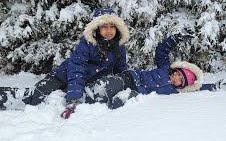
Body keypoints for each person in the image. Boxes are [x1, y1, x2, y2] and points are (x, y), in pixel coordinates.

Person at [60, 34, 226, 119]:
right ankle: (84, 97)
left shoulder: (174, 92)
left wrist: (214, 86)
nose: (176, 77)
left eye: (180, 79)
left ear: (182, 85)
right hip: (130, 79)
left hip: (136, 92)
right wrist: (175, 39)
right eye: (177, 73)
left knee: (127, 99)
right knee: (110, 85)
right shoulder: (165, 68)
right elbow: (162, 50)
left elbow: (198, 88)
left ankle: (109, 102)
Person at [0, 8, 130, 110]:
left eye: (112, 26)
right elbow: (77, 68)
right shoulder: (87, 44)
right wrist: (74, 95)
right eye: (104, 27)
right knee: (36, 96)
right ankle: (7, 98)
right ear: (96, 29)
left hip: (85, 84)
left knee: (53, 101)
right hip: (61, 76)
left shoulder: (119, 48)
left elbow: (121, 70)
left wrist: (125, 85)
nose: (109, 31)